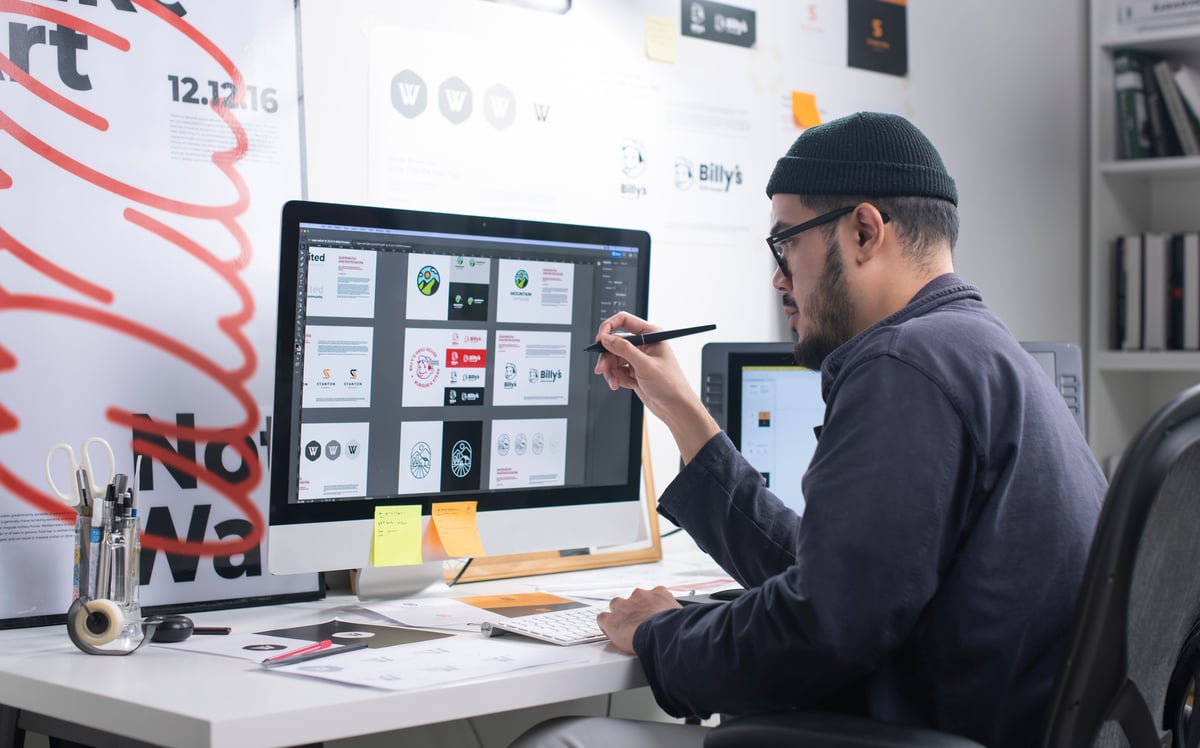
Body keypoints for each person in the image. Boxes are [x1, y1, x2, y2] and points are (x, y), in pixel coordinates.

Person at [509, 111, 1106, 748]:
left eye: (786, 243)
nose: (778, 277)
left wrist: (661, 633)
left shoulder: (902, 365)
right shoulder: (970, 349)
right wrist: (685, 413)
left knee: (561, 740)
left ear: (864, 231)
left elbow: (820, 629)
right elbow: (835, 582)